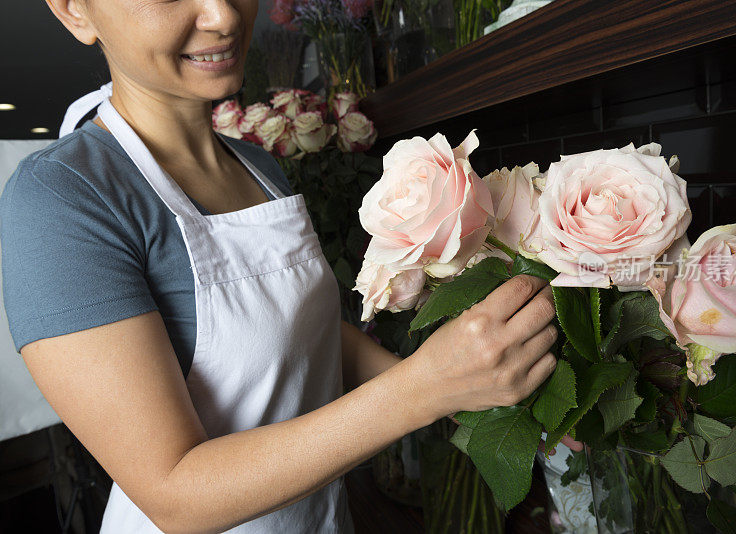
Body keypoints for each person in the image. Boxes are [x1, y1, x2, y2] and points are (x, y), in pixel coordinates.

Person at [0, 1, 563, 532]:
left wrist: (481, 395)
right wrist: (428, 388)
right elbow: (175, 492)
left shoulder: (255, 164)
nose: (223, 16)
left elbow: (310, 337)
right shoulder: (62, 198)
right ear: (74, 9)